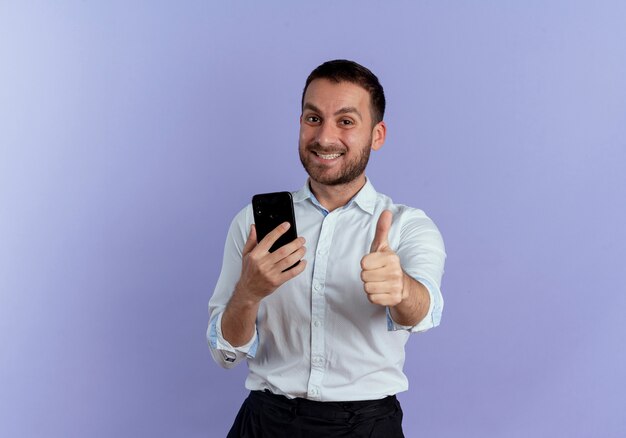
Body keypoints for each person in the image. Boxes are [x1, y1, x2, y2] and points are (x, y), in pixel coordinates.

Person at [207, 59, 446, 437]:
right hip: (265, 423)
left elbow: (424, 313)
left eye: (346, 121)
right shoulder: (252, 223)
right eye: (313, 118)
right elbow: (226, 353)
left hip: (366, 427)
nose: (325, 137)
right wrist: (248, 294)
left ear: (377, 135)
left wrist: (401, 289)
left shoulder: (408, 226)